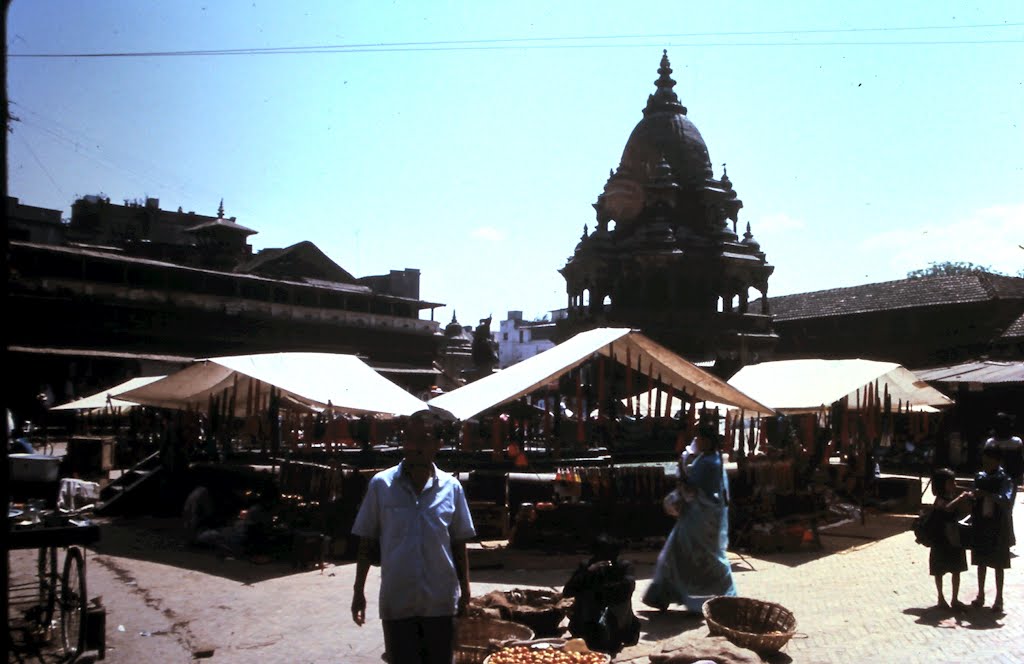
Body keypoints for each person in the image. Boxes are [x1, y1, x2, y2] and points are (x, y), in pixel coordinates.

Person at [351, 412, 476, 664]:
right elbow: (367, 540)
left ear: (438, 445)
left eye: (424, 439)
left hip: (440, 603)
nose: (415, 446)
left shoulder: (452, 488)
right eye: (409, 438)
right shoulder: (381, 485)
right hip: (398, 602)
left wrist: (465, 591)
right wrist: (358, 591)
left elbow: (458, 543)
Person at [643, 422, 737, 613]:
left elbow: (693, 487)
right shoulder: (708, 459)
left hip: (701, 519)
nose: (698, 442)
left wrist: (682, 471)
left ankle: (722, 596)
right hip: (698, 517)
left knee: (696, 557)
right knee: (681, 554)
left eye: (701, 439)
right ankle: (661, 595)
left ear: (709, 441)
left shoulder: (710, 462)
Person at [562, 534, 640, 654]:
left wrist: (600, 589)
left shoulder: (624, 567)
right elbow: (567, 591)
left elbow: (626, 590)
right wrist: (589, 572)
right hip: (588, 617)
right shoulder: (587, 566)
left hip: (614, 616)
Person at [969, 447, 1013, 613]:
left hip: (998, 525)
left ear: (998, 461)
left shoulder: (1005, 479)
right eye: (984, 461)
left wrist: (987, 494)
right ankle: (980, 595)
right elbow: (973, 494)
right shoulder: (980, 477)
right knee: (981, 561)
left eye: (989, 461)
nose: (986, 464)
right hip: (981, 524)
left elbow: (1006, 500)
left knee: (998, 563)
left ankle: (999, 598)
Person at [927, 468, 972, 610]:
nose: (955, 484)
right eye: (951, 482)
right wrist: (961, 498)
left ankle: (954, 598)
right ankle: (940, 597)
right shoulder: (940, 499)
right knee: (939, 569)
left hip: (953, 537)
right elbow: (947, 508)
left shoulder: (951, 496)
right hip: (941, 538)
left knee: (956, 568)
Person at [983, 412, 1022, 547]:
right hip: (1005, 480)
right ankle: (1005, 539)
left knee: (1000, 508)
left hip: (1003, 480)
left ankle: (1003, 539)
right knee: (1004, 509)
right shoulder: (1015, 442)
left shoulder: (991, 442)